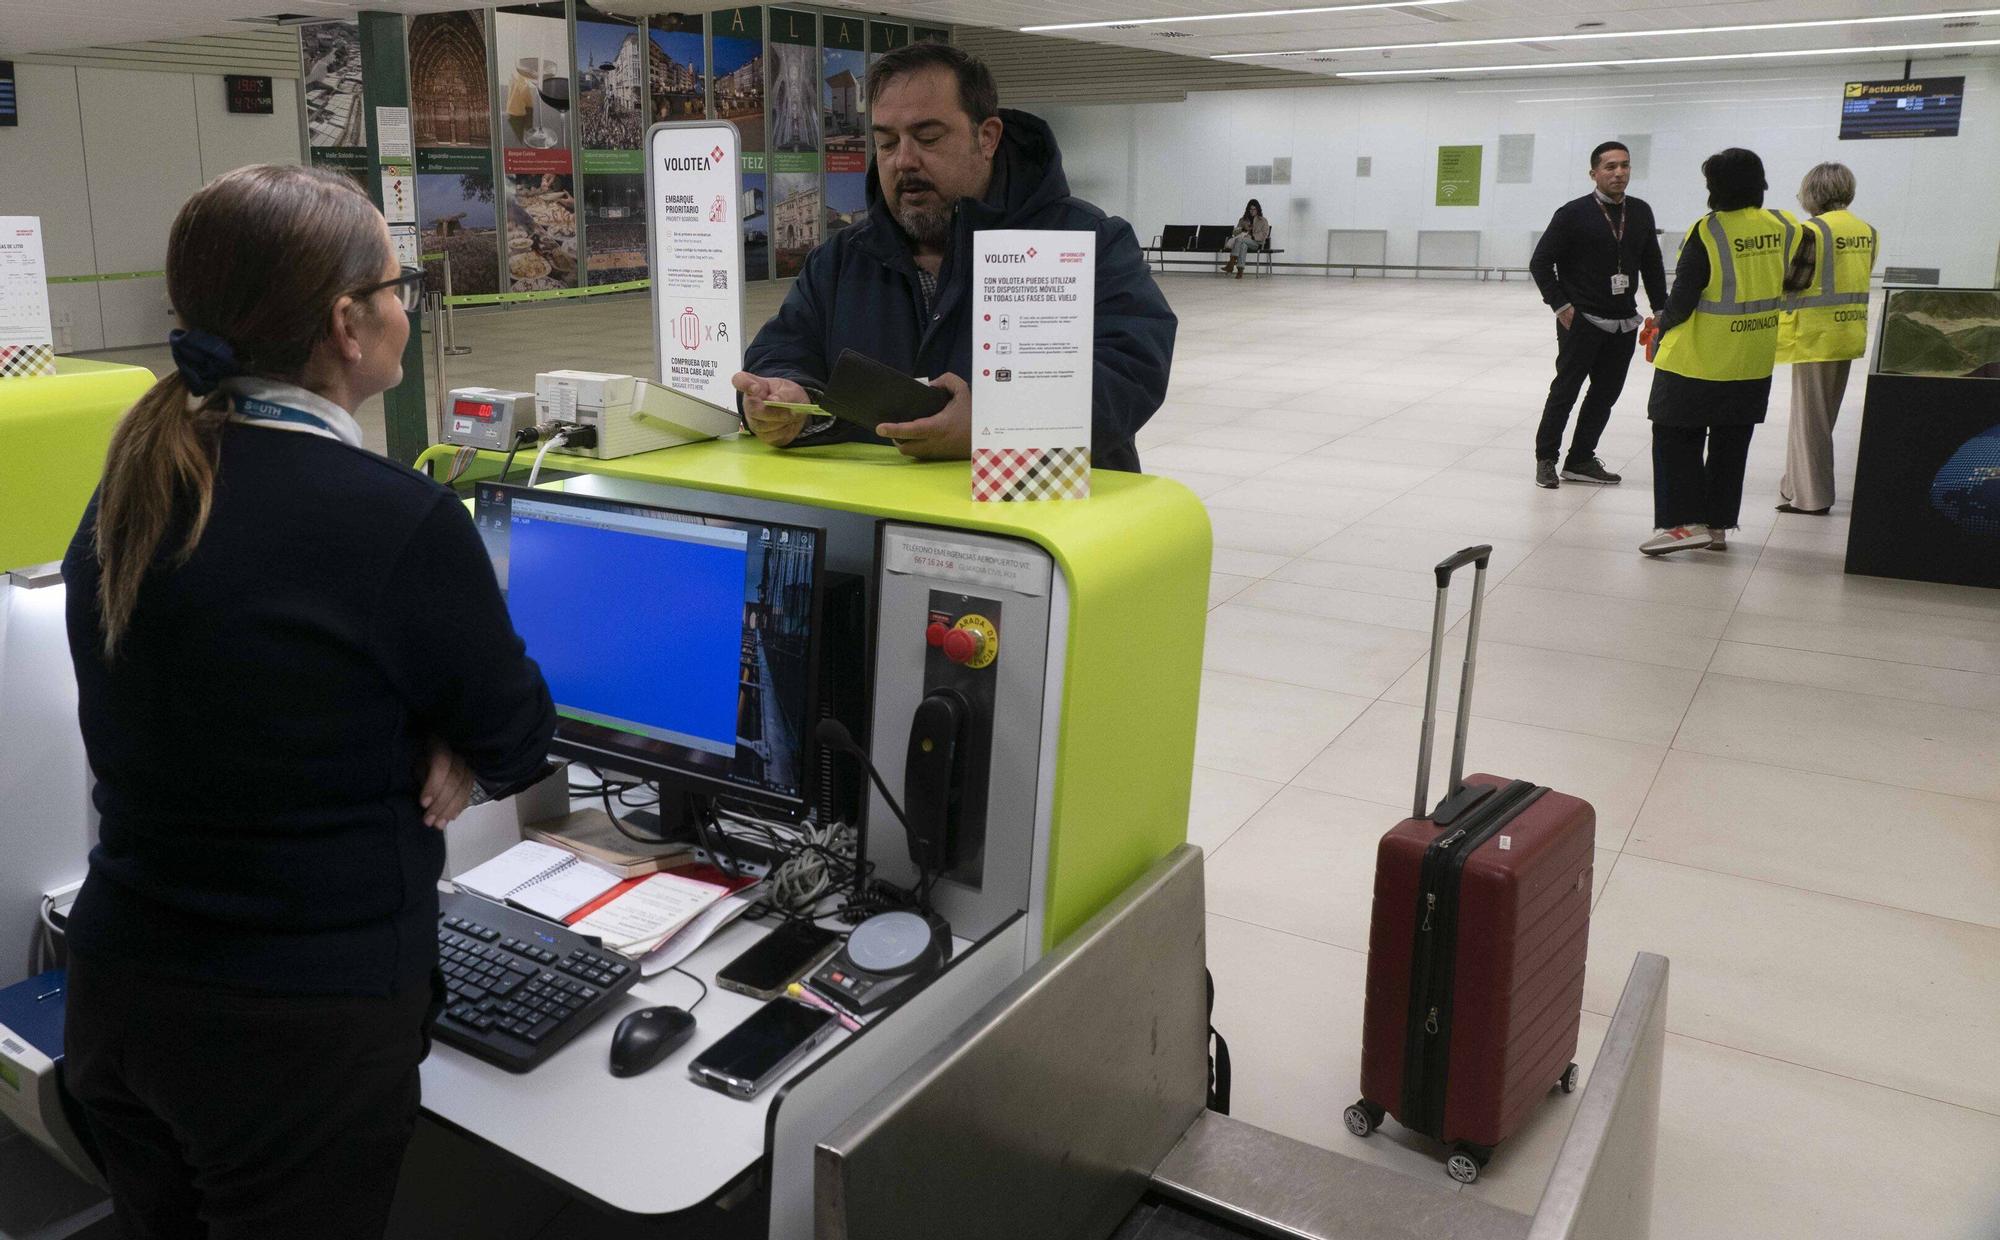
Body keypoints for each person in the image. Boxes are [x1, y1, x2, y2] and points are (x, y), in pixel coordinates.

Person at [60, 165, 556, 1238]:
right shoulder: (395, 522)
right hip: (294, 1035)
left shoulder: (135, 490)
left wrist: (411, 724)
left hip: (119, 998)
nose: (403, 309)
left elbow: (223, 706)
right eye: (399, 285)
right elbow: (517, 735)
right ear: (346, 322)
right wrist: (446, 738)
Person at [733, 42, 1176, 472]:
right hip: (884, 522)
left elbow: (1132, 371)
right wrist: (784, 397)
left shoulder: (1087, 241)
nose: (903, 160)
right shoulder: (841, 259)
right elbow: (784, 349)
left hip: (1037, 528)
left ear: (987, 137)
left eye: (927, 137)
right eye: (886, 143)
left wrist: (995, 423)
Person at [1642, 148, 1814, 555]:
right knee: (1731, 443)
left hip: (1697, 359)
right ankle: (1717, 527)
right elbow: (1799, 280)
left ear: (1714, 188)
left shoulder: (1708, 231)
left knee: (1674, 435)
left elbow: (1682, 301)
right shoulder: (1788, 226)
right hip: (1753, 359)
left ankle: (1684, 525)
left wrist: (1658, 326)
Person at [1528, 141, 1667, 490]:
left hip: (1623, 321)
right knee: (1566, 390)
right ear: (1594, 173)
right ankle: (1546, 458)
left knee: (1605, 393)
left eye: (1625, 166)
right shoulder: (1573, 213)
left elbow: (1651, 262)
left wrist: (1661, 308)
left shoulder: (1641, 212)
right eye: (1610, 167)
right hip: (1582, 320)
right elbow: (1541, 262)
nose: (1619, 173)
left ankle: (1580, 459)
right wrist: (1562, 306)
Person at [1775, 162, 1877, 515]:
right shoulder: (1866, 230)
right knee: (1820, 416)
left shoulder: (1811, 231)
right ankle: (1794, 484)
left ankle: (1813, 497)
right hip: (1848, 331)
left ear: (1812, 193)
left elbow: (1792, 281)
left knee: (1809, 420)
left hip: (1814, 335)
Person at [1221, 199, 1270, 278]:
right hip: (1243, 241)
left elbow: (1264, 234)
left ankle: (1231, 263)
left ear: (1258, 209)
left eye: (1254, 209)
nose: (1252, 211)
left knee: (1240, 240)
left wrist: (1253, 236)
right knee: (1243, 245)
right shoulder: (1243, 220)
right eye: (1250, 209)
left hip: (1256, 243)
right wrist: (1243, 229)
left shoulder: (1263, 220)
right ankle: (1240, 272)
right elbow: (1234, 233)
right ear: (1248, 209)